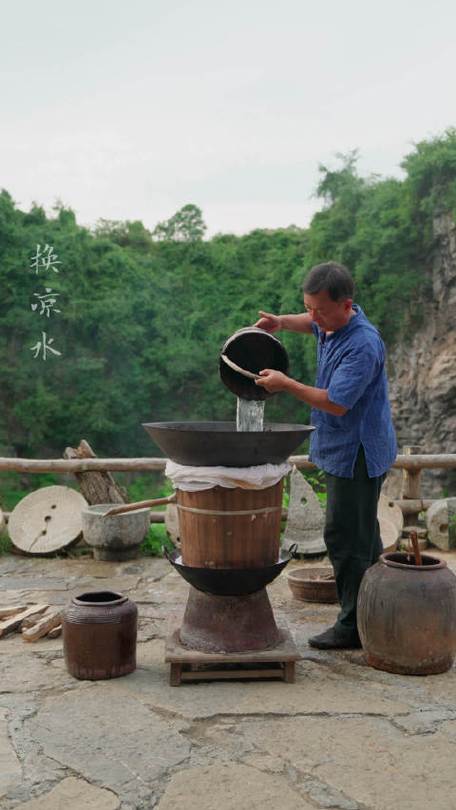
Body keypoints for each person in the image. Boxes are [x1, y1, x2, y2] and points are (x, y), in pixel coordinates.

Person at [255, 261, 397, 649]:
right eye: (308, 307)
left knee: (345, 537)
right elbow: (310, 322)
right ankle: (375, 610)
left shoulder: (362, 345)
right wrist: (282, 322)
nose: (313, 317)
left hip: (358, 453)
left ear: (346, 304)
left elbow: (335, 403)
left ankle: (352, 627)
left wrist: (285, 384)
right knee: (364, 536)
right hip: (343, 446)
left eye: (319, 310)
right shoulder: (332, 321)